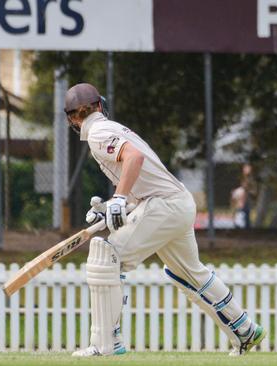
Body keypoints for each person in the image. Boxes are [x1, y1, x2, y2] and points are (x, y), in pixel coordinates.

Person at [64, 83, 265, 357]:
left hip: (164, 205)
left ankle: (106, 344)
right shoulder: (112, 128)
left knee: (107, 256)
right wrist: (113, 203)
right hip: (177, 202)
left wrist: (120, 199)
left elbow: (133, 158)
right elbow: (141, 176)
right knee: (190, 273)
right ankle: (245, 329)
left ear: (72, 118)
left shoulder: (99, 132)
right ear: (99, 105)